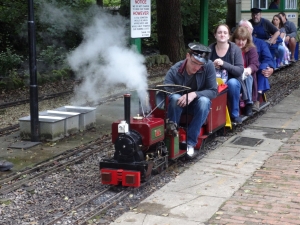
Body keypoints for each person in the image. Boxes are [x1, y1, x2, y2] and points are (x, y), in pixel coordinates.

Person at [164, 42, 218, 155]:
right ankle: (172, 137)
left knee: (204, 101)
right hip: (178, 104)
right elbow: (167, 90)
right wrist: (180, 97)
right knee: (174, 98)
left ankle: (190, 142)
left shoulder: (208, 66)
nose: (197, 67)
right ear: (187, 56)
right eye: (194, 63)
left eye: (200, 65)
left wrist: (194, 94)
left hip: (196, 104)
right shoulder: (174, 70)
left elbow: (213, 91)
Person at [208, 24, 245, 124]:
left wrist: (224, 64)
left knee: (233, 83)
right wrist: (211, 65)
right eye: (219, 32)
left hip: (231, 82)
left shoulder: (235, 49)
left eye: (225, 33)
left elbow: (239, 70)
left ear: (229, 36)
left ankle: (235, 114)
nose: (222, 35)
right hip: (214, 81)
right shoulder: (209, 50)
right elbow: (203, 67)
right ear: (215, 35)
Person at [239, 19, 274, 111]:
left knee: (264, 67)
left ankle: (256, 99)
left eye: (246, 28)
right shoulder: (236, 43)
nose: (244, 30)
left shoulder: (260, 43)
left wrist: (271, 68)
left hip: (256, 69)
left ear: (251, 30)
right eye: (242, 28)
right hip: (240, 70)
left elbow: (268, 58)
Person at [231, 26, 259, 116]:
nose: (241, 42)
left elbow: (255, 64)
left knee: (248, 77)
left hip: (245, 75)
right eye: (238, 40)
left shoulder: (251, 49)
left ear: (247, 40)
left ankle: (248, 103)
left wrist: (248, 69)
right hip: (233, 74)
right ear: (234, 39)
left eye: (243, 40)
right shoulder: (230, 48)